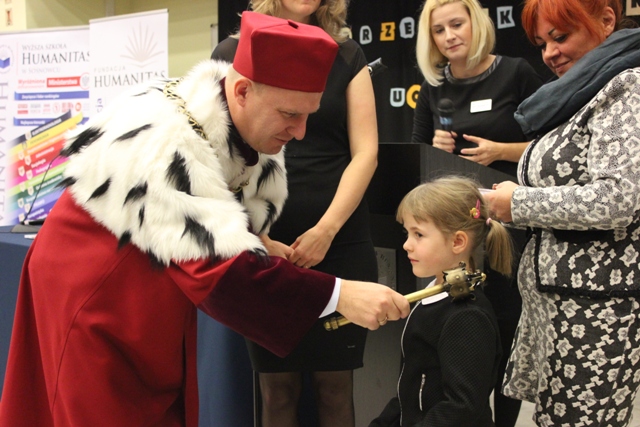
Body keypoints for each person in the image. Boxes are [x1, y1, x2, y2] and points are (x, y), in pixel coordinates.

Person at [0, 12, 411, 427]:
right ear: (243, 91)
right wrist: (341, 296)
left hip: (141, 289)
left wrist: (254, 237)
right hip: (95, 295)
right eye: (290, 114)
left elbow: (215, 211)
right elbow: (226, 275)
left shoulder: (216, 115)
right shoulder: (167, 145)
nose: (300, 132)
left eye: (310, 115)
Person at [211, 1, 379, 426]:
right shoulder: (231, 53)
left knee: (335, 387)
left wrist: (327, 230)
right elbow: (217, 155)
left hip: (340, 239)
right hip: (264, 239)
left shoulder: (347, 55)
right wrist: (258, 236)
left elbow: (366, 152)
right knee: (276, 389)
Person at [484, 0, 640, 425]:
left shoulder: (626, 86)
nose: (550, 53)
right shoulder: (581, 92)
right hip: (561, 304)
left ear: (606, 20)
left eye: (560, 37)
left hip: (596, 312)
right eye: (541, 43)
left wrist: (518, 203)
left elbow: (617, 199)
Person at [411, 2, 543, 424]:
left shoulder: (516, 72)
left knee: (505, 324)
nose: (449, 36)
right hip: (455, 229)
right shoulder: (433, 86)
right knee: (458, 331)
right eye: (439, 30)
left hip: (508, 224)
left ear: (477, 23)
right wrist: (433, 146)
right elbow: (417, 154)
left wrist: (501, 150)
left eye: (456, 24)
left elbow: (550, 145)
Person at [369, 176, 513, 427]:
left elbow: (461, 408)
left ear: (457, 242)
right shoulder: (436, 295)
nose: (406, 245)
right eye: (407, 233)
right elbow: (409, 392)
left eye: (418, 234)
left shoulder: (466, 316)